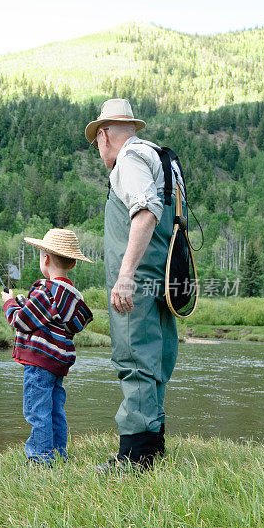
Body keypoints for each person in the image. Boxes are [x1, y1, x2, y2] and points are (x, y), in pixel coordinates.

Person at [85, 98, 182, 470]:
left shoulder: (129, 159)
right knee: (156, 358)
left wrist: (125, 277)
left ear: (105, 135)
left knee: (134, 358)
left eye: (97, 141)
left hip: (138, 279)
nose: (99, 149)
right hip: (162, 279)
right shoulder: (160, 158)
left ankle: (135, 457)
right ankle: (152, 446)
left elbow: (145, 213)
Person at [2, 229, 93, 465]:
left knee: (36, 410)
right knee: (54, 411)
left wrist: (9, 303)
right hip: (57, 364)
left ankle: (40, 458)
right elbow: (53, 320)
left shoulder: (47, 291)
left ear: (46, 259)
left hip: (39, 362)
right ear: (72, 263)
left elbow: (20, 320)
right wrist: (25, 303)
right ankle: (58, 453)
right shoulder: (72, 297)